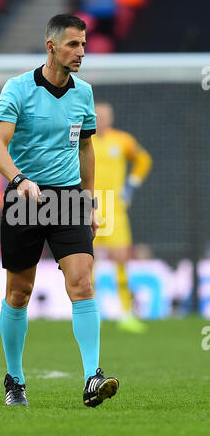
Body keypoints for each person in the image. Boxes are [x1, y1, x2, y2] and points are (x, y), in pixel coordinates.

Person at [0, 14, 119, 407]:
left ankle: (93, 378)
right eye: (73, 45)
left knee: (82, 282)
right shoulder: (18, 89)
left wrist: (90, 199)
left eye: (83, 44)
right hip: (23, 199)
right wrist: (19, 181)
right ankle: (15, 380)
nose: (81, 52)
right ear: (51, 47)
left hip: (68, 198)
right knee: (18, 292)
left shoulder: (85, 94)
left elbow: (85, 148)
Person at [93, 102, 153, 332]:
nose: (102, 119)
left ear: (112, 118)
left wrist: (132, 183)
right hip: (87, 206)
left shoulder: (122, 140)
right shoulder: (81, 140)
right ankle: (90, 313)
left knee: (121, 258)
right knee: (87, 262)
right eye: (98, 115)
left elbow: (144, 160)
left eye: (106, 115)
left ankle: (126, 313)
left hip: (114, 208)